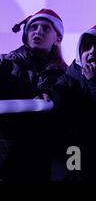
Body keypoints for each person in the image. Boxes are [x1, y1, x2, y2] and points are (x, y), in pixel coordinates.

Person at [0, 9, 67, 180]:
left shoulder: (67, 76)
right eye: (33, 27)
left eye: (46, 28)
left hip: (42, 160)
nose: (38, 31)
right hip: (4, 153)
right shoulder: (3, 64)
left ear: (57, 38)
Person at [51, 25, 96, 180]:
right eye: (87, 47)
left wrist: (94, 81)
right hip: (72, 149)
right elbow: (57, 93)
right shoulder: (70, 75)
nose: (92, 51)